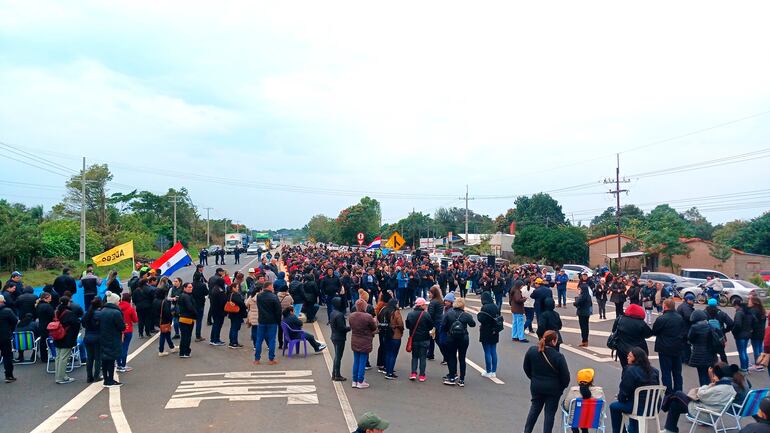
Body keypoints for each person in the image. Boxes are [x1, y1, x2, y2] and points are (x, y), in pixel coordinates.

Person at [660, 362, 737, 433]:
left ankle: (663, 406)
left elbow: (701, 395)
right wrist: (712, 384)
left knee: (678, 394)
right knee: (675, 404)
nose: (713, 376)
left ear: (718, 375)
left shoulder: (719, 389)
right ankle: (670, 429)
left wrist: (709, 385)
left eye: (714, 374)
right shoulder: (729, 387)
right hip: (710, 412)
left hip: (703, 413)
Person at [523, 330, 571, 433]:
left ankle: (527, 431)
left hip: (536, 386)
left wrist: (534, 378)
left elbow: (526, 367)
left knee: (534, 410)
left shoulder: (532, 351)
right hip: (553, 389)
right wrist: (561, 387)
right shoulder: (558, 357)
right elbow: (566, 377)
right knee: (549, 414)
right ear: (554, 341)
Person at [609, 347, 660, 433]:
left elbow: (624, 391)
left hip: (638, 407)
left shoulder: (630, 370)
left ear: (636, 359)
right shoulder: (654, 371)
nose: (627, 357)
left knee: (614, 406)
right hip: (653, 407)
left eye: (630, 356)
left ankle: (619, 431)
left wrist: (620, 398)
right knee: (634, 402)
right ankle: (633, 430)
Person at [652, 299, 686, 394]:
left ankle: (668, 393)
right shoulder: (679, 317)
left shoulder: (662, 318)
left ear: (665, 306)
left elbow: (654, 331)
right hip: (677, 347)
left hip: (664, 348)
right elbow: (684, 332)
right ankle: (679, 391)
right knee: (677, 372)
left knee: (666, 372)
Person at [441, 297, 476, 387]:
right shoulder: (465, 315)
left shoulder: (448, 313)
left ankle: (452, 376)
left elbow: (443, 326)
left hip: (451, 338)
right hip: (463, 338)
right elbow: (473, 324)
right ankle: (462, 379)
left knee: (452, 356)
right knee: (462, 358)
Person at [562, 368, 605, 433]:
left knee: (574, 412)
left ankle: (576, 431)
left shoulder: (573, 391)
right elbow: (602, 408)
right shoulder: (599, 392)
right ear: (592, 380)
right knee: (586, 412)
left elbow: (567, 407)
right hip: (593, 421)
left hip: (575, 421)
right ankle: (585, 430)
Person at [612, 303, 652, 370]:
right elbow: (648, 334)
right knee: (639, 369)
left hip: (622, 348)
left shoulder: (620, 319)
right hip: (638, 350)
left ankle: (625, 379)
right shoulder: (641, 323)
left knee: (625, 368)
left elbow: (614, 330)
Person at [349, 298, 377, 389]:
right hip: (365, 340)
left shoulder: (352, 316)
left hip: (355, 339)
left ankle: (354, 380)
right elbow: (373, 328)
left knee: (356, 360)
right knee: (362, 361)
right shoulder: (368, 316)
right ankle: (360, 381)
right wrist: (374, 321)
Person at [99, 292, 125, 387]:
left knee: (105, 360)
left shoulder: (102, 311)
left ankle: (106, 379)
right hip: (113, 338)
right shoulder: (116, 312)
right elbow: (121, 327)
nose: (119, 302)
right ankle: (110, 380)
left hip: (103, 337)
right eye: (118, 301)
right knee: (111, 360)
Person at [53, 296, 81, 384]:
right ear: (68, 302)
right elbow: (76, 324)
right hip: (67, 337)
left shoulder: (56, 312)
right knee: (64, 358)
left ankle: (59, 375)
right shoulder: (69, 313)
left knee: (58, 357)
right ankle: (61, 377)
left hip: (57, 335)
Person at [406, 296, 433, 382]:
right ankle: (422, 375)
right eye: (424, 305)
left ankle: (413, 373)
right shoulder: (426, 315)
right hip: (424, 338)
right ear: (421, 305)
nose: (425, 306)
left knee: (414, 357)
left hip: (414, 339)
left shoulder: (410, 314)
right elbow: (430, 326)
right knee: (423, 357)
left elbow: (408, 326)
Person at [254, 281, 282, 365]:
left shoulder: (259, 296)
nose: (273, 288)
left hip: (262, 320)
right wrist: (278, 321)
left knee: (259, 340)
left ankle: (257, 359)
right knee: (271, 340)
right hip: (272, 321)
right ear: (269, 287)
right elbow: (278, 310)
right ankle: (271, 359)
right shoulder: (274, 297)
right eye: (272, 286)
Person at [688, 310, 718, 386]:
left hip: (699, 354)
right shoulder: (710, 325)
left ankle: (703, 391)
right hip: (711, 353)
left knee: (702, 374)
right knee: (710, 373)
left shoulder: (694, 327)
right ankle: (710, 389)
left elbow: (690, 338)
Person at [478, 291, 501, 378]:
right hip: (495, 330)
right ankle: (493, 371)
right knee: (493, 351)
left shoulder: (484, 307)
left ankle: (488, 371)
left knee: (487, 351)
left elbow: (482, 319)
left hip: (486, 330)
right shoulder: (496, 306)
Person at [380, 298, 403, 380]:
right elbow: (400, 324)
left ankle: (387, 370)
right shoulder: (396, 312)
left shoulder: (385, 310)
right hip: (395, 335)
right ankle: (390, 373)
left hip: (386, 334)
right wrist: (401, 330)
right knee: (393, 354)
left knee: (388, 353)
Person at [706, 298, 734, 363]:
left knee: (710, 353)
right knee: (722, 353)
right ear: (716, 304)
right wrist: (725, 330)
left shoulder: (704, 313)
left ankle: (712, 368)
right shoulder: (721, 313)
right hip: (720, 337)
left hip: (708, 336)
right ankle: (725, 367)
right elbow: (731, 323)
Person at [81, 298, 102, 383]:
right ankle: (96, 376)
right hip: (97, 337)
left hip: (87, 336)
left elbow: (83, 324)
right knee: (98, 358)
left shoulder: (87, 314)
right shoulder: (100, 314)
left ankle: (89, 377)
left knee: (89, 358)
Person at [329, 297, 350, 381]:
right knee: (338, 356)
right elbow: (342, 328)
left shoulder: (333, 313)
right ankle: (337, 374)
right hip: (339, 337)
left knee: (337, 356)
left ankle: (334, 374)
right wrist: (349, 328)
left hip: (334, 336)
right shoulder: (340, 315)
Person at [734, 299, 757, 372]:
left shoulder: (739, 313)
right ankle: (746, 367)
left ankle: (743, 368)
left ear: (737, 305)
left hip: (740, 335)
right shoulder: (749, 313)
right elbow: (755, 321)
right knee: (744, 351)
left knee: (741, 352)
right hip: (747, 334)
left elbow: (737, 324)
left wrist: (734, 331)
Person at [153, 288, 176, 356]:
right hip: (165, 320)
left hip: (158, 320)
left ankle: (172, 347)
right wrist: (170, 320)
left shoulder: (155, 300)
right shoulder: (164, 302)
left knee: (166, 334)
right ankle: (161, 350)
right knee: (164, 334)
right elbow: (167, 313)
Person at [117, 293, 137, 373]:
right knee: (125, 347)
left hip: (118, 330)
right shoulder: (130, 308)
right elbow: (135, 320)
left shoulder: (117, 307)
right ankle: (123, 365)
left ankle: (118, 364)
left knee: (118, 347)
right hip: (128, 329)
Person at [0, 294, 18, 383]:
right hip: (4, 336)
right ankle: (9, 375)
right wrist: (10, 329)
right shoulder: (7, 311)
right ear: (3, 301)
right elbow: (15, 321)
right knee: (7, 356)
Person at [177, 283, 196, 358]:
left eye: (191, 287)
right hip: (187, 318)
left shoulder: (182, 295)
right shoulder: (186, 296)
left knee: (184, 336)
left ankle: (182, 352)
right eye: (189, 287)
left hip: (183, 318)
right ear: (184, 288)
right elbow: (190, 307)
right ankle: (186, 352)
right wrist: (196, 313)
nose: (190, 288)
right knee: (187, 336)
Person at [749, 294, 767, 372]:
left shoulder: (753, 310)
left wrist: (750, 329)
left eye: (750, 300)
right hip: (762, 331)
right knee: (759, 347)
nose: (748, 302)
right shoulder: (762, 310)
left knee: (756, 348)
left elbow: (753, 321)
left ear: (754, 302)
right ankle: (760, 362)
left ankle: (758, 365)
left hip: (755, 332)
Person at [226, 283, 247, 349]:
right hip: (237, 313)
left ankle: (232, 341)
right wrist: (245, 306)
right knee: (235, 328)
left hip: (232, 313)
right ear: (233, 288)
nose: (238, 288)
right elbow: (241, 303)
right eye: (237, 287)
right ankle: (234, 342)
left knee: (232, 327)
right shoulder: (235, 295)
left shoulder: (230, 294)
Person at [36, 292, 55, 363]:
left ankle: (44, 357)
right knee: (49, 341)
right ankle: (53, 355)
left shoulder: (38, 305)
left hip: (41, 325)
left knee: (43, 341)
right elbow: (52, 315)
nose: (50, 300)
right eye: (49, 299)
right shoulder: (48, 306)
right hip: (48, 325)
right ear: (45, 298)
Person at [677, 294, 696, 364]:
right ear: (688, 300)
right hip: (685, 328)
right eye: (693, 300)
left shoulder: (682, 306)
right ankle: (686, 359)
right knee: (686, 345)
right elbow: (689, 317)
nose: (694, 302)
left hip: (681, 328)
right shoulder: (686, 307)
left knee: (683, 344)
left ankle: (683, 359)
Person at [191, 264, 208, 342]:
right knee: (199, 320)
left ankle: (190, 334)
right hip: (200, 303)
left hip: (192, 303)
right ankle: (198, 336)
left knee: (191, 320)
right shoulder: (202, 285)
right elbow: (206, 293)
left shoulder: (191, 285)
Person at [426, 286, 443, 360]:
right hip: (439, 321)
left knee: (437, 339)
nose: (429, 294)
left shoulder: (433, 302)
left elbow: (430, 314)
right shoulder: (440, 300)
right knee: (432, 339)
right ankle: (430, 354)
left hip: (434, 323)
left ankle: (446, 356)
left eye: (430, 293)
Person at [574, 280, 592, 347]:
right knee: (586, 327)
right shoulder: (588, 296)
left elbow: (577, 303)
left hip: (582, 313)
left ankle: (584, 340)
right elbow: (590, 304)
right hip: (587, 312)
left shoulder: (582, 296)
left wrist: (575, 303)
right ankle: (585, 340)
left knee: (583, 327)